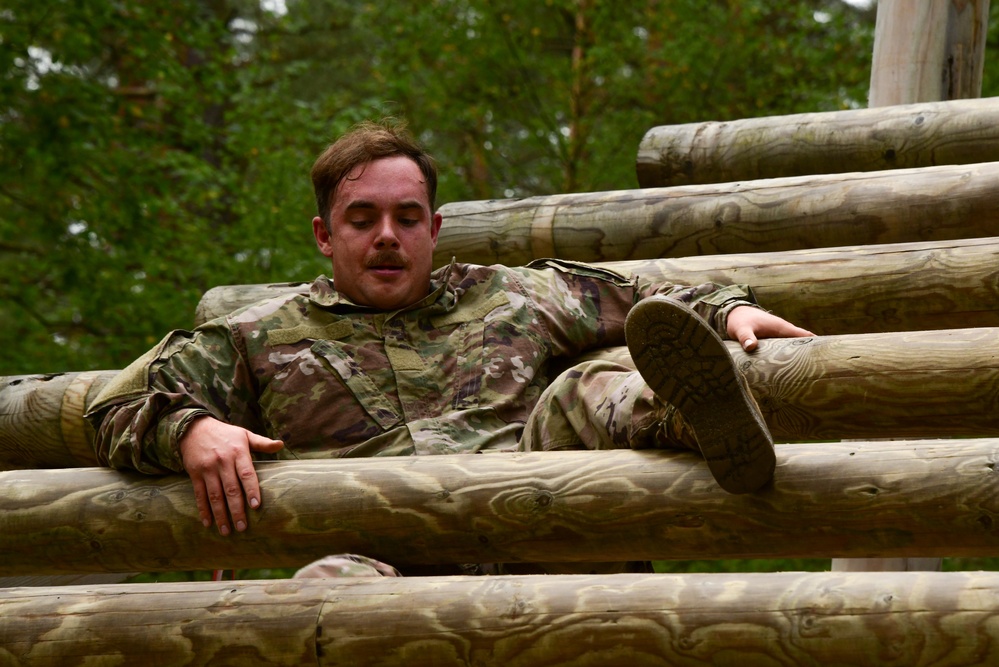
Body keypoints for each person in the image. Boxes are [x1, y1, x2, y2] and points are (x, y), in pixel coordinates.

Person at [86, 119, 813, 547]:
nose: (387, 237)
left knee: (585, 383)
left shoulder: (508, 295)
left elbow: (641, 297)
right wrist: (187, 431)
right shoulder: (259, 334)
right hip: (379, 558)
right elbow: (113, 407)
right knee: (308, 596)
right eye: (362, 218)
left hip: (540, 529)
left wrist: (725, 310)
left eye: (407, 218)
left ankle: (697, 416)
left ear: (433, 230)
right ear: (323, 235)